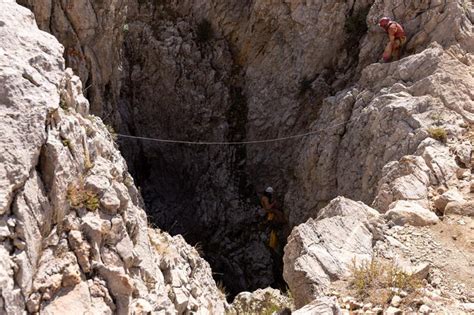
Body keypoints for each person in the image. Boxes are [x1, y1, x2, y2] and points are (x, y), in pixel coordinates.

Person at [260, 187, 286, 251]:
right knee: (278, 212)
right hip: (268, 211)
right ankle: (283, 221)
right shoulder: (265, 198)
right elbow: (268, 207)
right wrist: (273, 203)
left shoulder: (264, 197)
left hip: (266, 210)